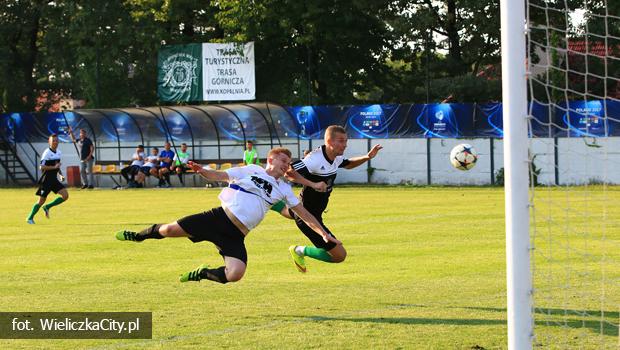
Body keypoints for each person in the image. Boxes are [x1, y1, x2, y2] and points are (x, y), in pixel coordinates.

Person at [115, 147, 339, 284]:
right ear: (271, 159)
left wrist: (324, 234)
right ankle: (138, 236)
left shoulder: (284, 189)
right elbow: (219, 175)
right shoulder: (250, 169)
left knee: (236, 274)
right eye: (283, 161)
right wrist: (203, 171)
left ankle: (202, 274)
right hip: (217, 218)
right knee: (168, 230)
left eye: (288, 163)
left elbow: (304, 214)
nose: (286, 165)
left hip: (236, 235)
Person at [282, 125, 383, 273]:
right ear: (329, 141)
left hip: (311, 209)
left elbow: (347, 164)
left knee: (288, 211)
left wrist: (367, 157)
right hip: (309, 218)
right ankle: (298, 250)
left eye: (346, 141)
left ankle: (270, 200)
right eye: (341, 141)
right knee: (339, 255)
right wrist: (313, 184)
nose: (345, 144)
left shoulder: (334, 157)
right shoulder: (314, 159)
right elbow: (288, 172)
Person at [26, 134, 69, 224]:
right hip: (46, 181)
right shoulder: (46, 153)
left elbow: (57, 166)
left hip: (54, 180)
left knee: (65, 195)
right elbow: (41, 167)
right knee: (41, 201)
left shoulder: (59, 152)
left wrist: (60, 174)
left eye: (57, 140)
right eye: (53, 140)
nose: (55, 142)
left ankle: (48, 207)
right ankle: (30, 218)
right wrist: (54, 167)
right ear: (49, 142)